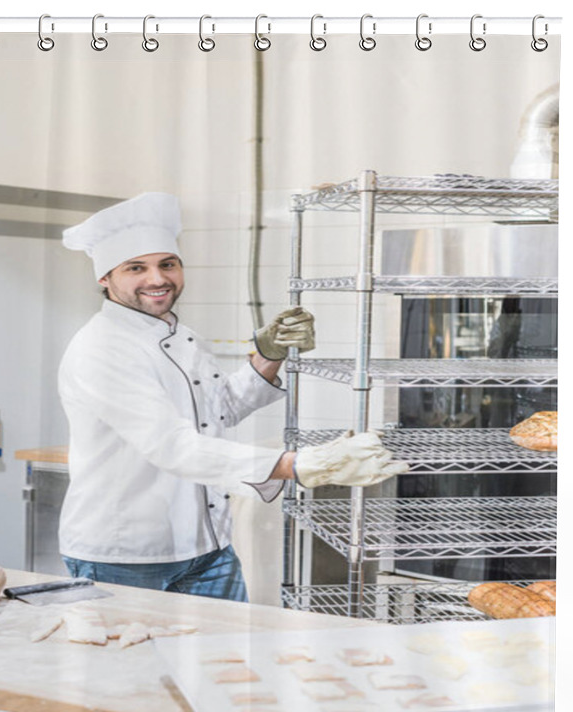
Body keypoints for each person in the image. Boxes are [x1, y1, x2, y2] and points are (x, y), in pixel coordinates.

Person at [57, 192, 407, 602]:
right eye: (137, 268)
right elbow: (172, 446)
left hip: (209, 548)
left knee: (223, 664)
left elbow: (219, 410)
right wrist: (302, 465)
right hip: (127, 554)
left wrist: (270, 355)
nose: (157, 279)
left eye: (167, 264)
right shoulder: (102, 347)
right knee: (132, 664)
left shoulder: (181, 337)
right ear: (105, 278)